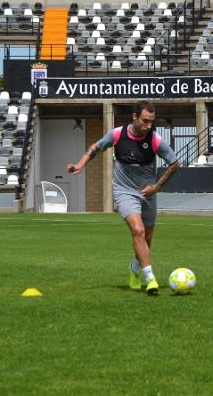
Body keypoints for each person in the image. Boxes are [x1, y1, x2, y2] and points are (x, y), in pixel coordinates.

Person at [67, 100, 179, 295]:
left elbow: (174, 163)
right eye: (145, 121)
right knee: (138, 230)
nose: (148, 126)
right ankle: (150, 278)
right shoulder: (117, 134)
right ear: (134, 117)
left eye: (151, 122)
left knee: (147, 237)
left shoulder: (154, 139)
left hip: (147, 193)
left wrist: (157, 187)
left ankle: (134, 270)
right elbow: (96, 147)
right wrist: (80, 164)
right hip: (124, 191)